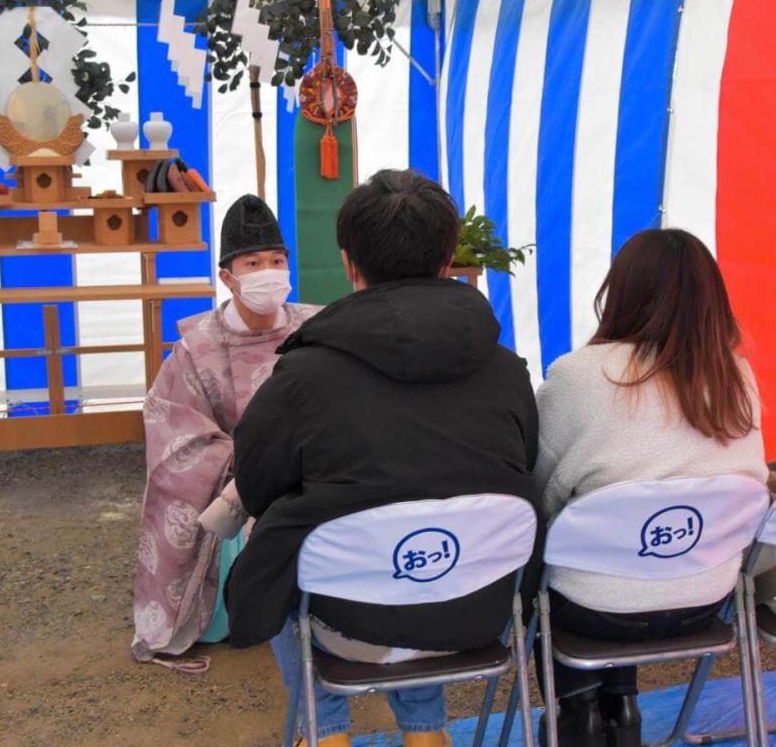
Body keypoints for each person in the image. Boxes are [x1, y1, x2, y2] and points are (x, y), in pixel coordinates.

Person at [225, 169, 540, 747]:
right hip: (474, 610)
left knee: (281, 537)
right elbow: (523, 463)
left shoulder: (302, 375)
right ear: (448, 260)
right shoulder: (506, 369)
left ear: (349, 262)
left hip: (348, 622)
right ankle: (426, 731)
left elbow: (258, 485)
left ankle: (327, 733)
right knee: (432, 511)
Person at [534, 229, 767, 747]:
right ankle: (621, 705)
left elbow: (541, 497)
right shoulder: (736, 376)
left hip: (591, 606)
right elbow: (755, 484)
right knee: (622, 548)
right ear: (712, 299)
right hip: (706, 594)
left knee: (569, 559)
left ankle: (580, 714)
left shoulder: (579, 375)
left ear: (622, 292)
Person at [131, 195, 320, 670]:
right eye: (253, 263)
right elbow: (173, 429)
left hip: (312, 468)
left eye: (277, 261)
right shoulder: (196, 347)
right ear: (228, 277)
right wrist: (248, 460)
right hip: (236, 478)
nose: (269, 272)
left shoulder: (316, 327)